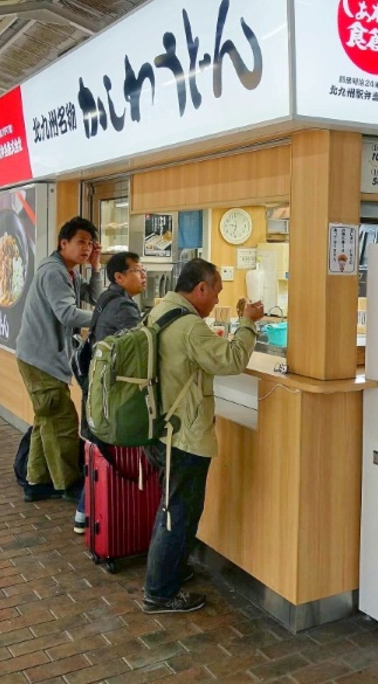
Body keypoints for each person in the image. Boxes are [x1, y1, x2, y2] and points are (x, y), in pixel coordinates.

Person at [141, 258, 264, 615]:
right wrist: (248, 323)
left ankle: (170, 573)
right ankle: (159, 593)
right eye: (216, 292)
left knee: (174, 509)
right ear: (201, 289)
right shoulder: (191, 326)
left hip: (161, 428)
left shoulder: (161, 310)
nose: (216, 301)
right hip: (184, 435)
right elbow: (232, 360)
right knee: (177, 513)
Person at [15, 217, 103, 503]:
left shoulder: (69, 272)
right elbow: (67, 314)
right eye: (81, 242)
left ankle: (36, 482)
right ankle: (68, 485)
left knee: (46, 421)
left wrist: (95, 268)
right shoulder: (54, 272)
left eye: (90, 244)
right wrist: (107, 320)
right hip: (41, 360)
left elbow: (95, 297)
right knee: (63, 421)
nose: (87, 248)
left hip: (42, 357)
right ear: (63, 243)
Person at [73, 251, 146, 534]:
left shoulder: (106, 298)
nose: (143, 276)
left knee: (98, 450)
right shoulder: (125, 308)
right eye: (138, 270)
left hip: (97, 386)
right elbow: (140, 348)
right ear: (119, 277)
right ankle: (96, 515)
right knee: (106, 452)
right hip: (112, 392)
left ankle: (84, 513)